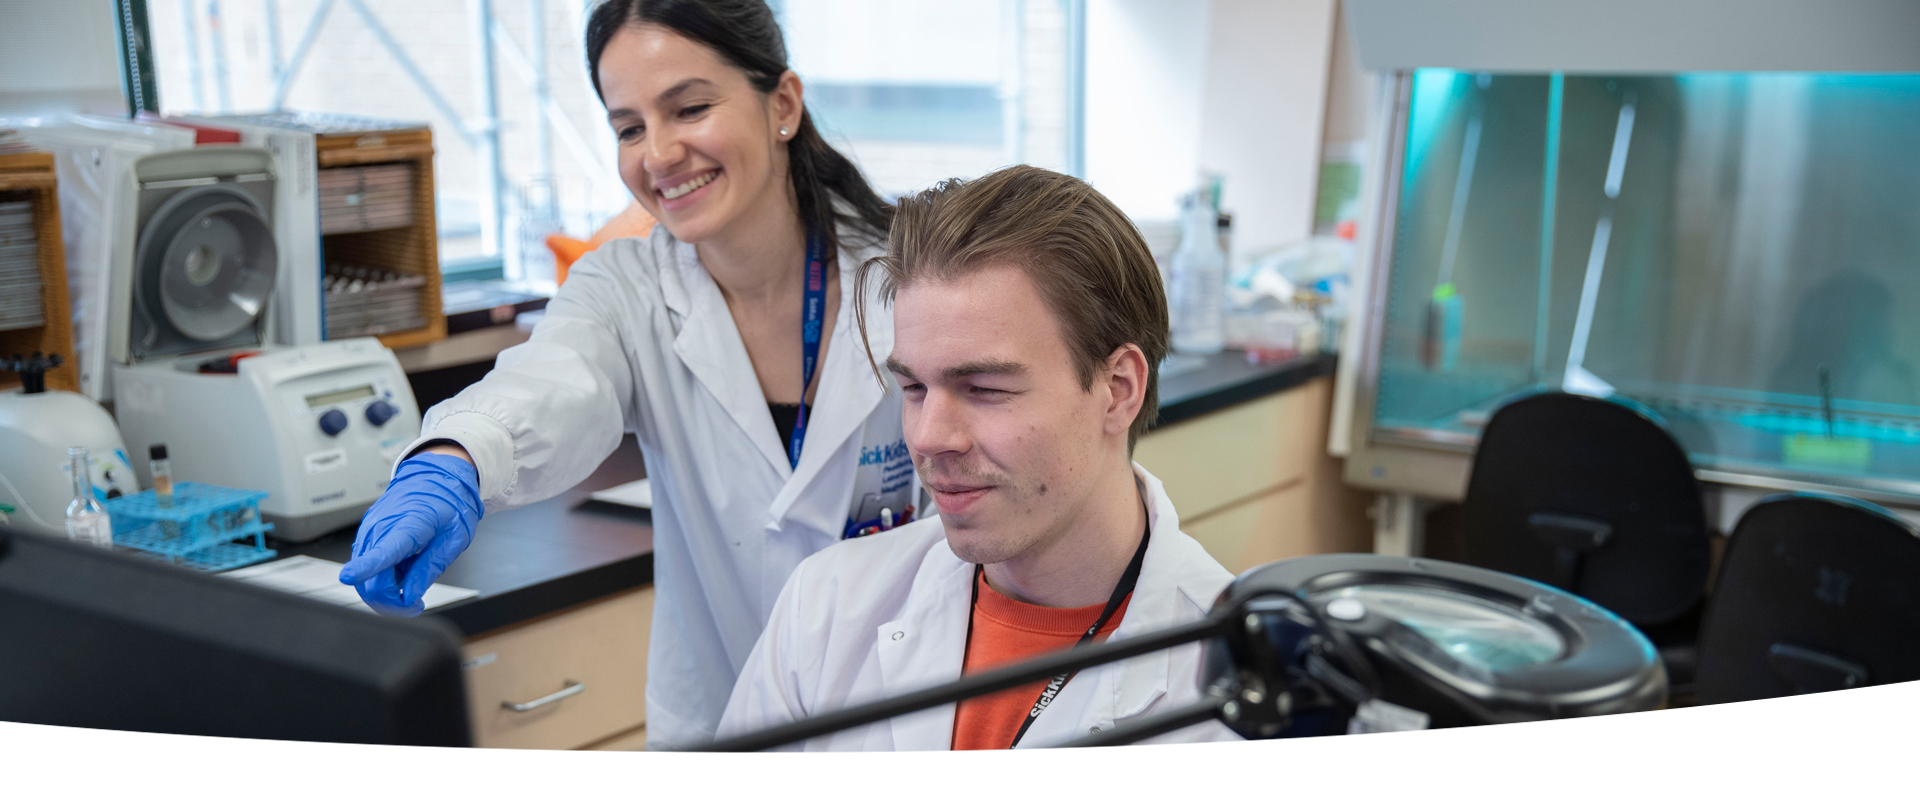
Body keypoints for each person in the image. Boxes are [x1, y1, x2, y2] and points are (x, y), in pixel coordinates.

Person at [335, 0, 920, 752]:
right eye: (629, 128)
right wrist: (452, 465)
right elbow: (552, 385)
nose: (661, 153)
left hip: (911, 725)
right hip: (721, 730)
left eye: (691, 108)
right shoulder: (627, 288)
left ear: (782, 104)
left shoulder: (912, 280)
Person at [715, 165, 1250, 751]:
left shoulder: (1239, 695)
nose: (928, 436)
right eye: (914, 388)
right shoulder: (827, 606)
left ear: (1118, 389)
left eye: (985, 389)